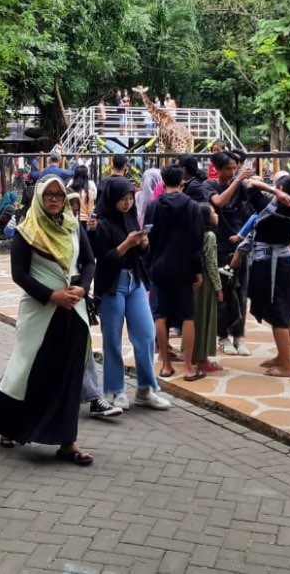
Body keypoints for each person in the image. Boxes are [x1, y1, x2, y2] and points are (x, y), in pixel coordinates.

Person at [0, 175, 97, 465]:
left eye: (58, 195)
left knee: (68, 378)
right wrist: (51, 296)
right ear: (40, 199)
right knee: (27, 372)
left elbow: (89, 261)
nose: (54, 200)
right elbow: (20, 274)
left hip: (73, 313)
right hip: (41, 313)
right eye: (49, 195)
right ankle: (5, 422)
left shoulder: (73, 227)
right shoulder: (27, 231)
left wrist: (83, 287)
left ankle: (68, 442)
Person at [92, 176, 172, 411]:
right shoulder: (101, 223)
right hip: (112, 285)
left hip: (134, 281)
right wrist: (126, 244)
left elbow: (142, 256)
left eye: (130, 198)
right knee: (112, 340)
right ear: (112, 199)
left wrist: (143, 244)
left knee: (146, 334)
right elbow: (103, 260)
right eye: (123, 199)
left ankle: (146, 389)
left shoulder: (131, 219)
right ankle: (115, 390)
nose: (127, 203)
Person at [234, 174, 290, 377]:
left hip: (271, 265)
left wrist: (273, 191)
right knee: (286, 313)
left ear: (279, 189)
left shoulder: (271, 209)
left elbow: (249, 184)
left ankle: (286, 366)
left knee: (278, 315)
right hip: (286, 262)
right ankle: (282, 356)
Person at [145, 165, 205, 381]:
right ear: (183, 182)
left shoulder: (153, 206)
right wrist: (198, 270)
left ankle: (166, 365)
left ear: (162, 181)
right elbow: (197, 241)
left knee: (160, 315)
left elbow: (148, 237)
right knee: (187, 314)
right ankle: (189, 367)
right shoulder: (193, 207)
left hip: (159, 267)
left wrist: (149, 264)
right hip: (185, 266)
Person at [205, 152, 254, 357]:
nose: (232, 172)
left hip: (240, 246)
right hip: (221, 247)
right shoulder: (209, 186)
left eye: (235, 168)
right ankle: (222, 336)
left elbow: (256, 201)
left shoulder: (242, 186)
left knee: (241, 294)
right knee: (223, 294)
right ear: (217, 169)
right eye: (228, 168)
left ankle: (239, 336)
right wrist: (238, 181)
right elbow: (220, 202)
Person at [193, 204, 223, 373]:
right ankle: (202, 359)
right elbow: (212, 263)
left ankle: (193, 353)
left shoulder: (194, 232)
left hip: (194, 280)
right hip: (206, 283)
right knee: (205, 318)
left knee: (194, 318)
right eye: (213, 212)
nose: (216, 214)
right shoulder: (210, 235)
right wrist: (218, 287)